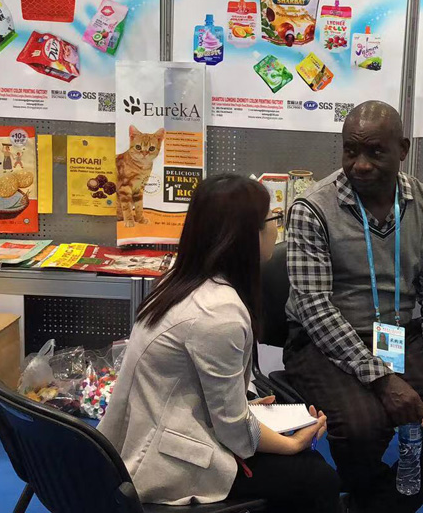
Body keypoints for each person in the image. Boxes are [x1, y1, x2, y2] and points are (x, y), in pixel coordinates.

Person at [284, 101, 423, 513]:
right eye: (350, 151)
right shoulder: (312, 209)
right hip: (323, 341)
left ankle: (372, 506)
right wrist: (382, 380)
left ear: (403, 150)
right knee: (362, 428)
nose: (359, 165)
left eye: (375, 151)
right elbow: (315, 310)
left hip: (396, 334)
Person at [99, 174, 340, 512]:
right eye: (272, 218)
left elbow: (192, 389)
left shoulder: (178, 282)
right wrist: (293, 444)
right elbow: (234, 432)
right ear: (246, 236)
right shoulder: (219, 313)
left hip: (147, 437)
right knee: (317, 478)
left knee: (304, 473)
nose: (276, 228)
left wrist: (242, 406)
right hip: (167, 462)